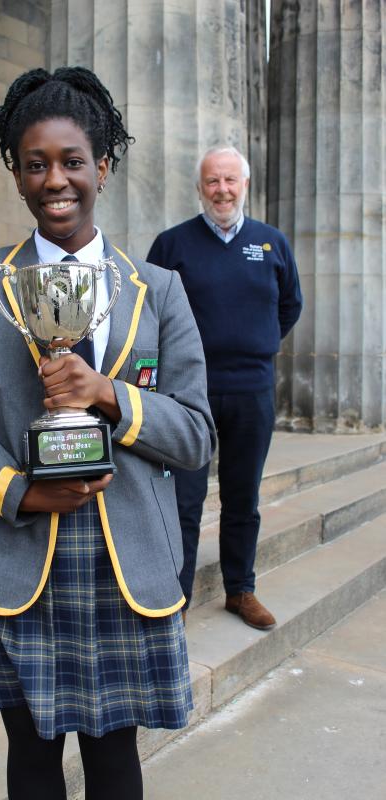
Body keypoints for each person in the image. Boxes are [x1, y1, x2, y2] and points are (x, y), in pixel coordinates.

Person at [0, 66, 215, 800]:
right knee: (31, 755)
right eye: (36, 164)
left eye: (72, 161)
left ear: (102, 168)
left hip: (124, 563)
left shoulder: (158, 288)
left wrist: (109, 395)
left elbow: (197, 434)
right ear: (17, 177)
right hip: (19, 552)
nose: (56, 179)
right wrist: (17, 491)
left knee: (115, 759)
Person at [147, 146, 302, 631]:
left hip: (252, 391)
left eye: (231, 180)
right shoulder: (172, 245)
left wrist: (257, 343)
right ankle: (176, 598)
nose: (222, 190)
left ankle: (241, 590)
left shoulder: (271, 243)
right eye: (213, 181)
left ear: (245, 185)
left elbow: (290, 305)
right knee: (185, 501)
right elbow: (149, 312)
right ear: (200, 188)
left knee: (243, 498)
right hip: (189, 395)